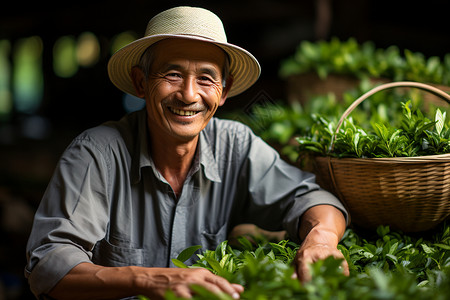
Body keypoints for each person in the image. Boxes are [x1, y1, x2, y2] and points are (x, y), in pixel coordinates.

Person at [25, 6, 349, 300]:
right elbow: (49, 265)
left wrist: (320, 240)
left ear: (224, 91)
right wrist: (149, 281)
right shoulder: (96, 155)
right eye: (173, 74)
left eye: (206, 78)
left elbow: (312, 200)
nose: (189, 94)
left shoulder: (234, 145)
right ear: (141, 82)